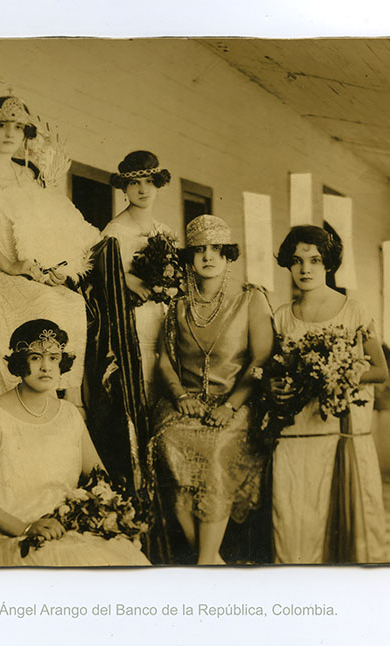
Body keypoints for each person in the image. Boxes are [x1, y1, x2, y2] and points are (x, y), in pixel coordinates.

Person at [0, 320, 150, 567]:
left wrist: (112, 515)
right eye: (35, 357)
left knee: (129, 558)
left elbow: (99, 478)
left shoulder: (69, 414)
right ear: (19, 362)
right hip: (13, 540)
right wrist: (25, 527)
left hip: (67, 532)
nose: (46, 367)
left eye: (54, 358)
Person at [0, 96, 99, 405]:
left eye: (18, 127)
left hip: (26, 272)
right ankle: (22, 397)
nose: (10, 134)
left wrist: (52, 267)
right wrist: (10, 266)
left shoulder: (27, 175)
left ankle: (68, 402)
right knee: (45, 303)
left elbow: (41, 229)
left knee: (71, 301)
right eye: (3, 126)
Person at [149, 215, 273, 565]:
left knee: (217, 449)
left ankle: (205, 561)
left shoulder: (251, 300)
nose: (208, 257)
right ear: (189, 258)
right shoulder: (178, 304)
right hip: (186, 403)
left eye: (217, 250)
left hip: (235, 402)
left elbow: (260, 359)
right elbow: (163, 362)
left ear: (228, 256)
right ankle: (212, 560)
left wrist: (231, 406)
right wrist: (181, 397)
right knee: (168, 443)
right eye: (200, 250)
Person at [271, 225, 388, 564]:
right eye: (296, 261)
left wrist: (337, 373)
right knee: (292, 519)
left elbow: (380, 370)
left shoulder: (354, 310)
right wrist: (275, 385)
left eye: (315, 260)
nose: (305, 269)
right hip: (294, 434)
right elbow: (271, 373)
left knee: (343, 521)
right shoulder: (281, 316)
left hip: (341, 432)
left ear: (328, 265)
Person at [103, 151, 175, 404]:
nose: (143, 189)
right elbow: (98, 276)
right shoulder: (115, 232)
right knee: (141, 386)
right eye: (135, 182)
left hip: (163, 315)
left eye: (149, 181)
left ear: (158, 184)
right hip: (133, 318)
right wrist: (125, 278)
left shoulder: (164, 230)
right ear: (124, 187)